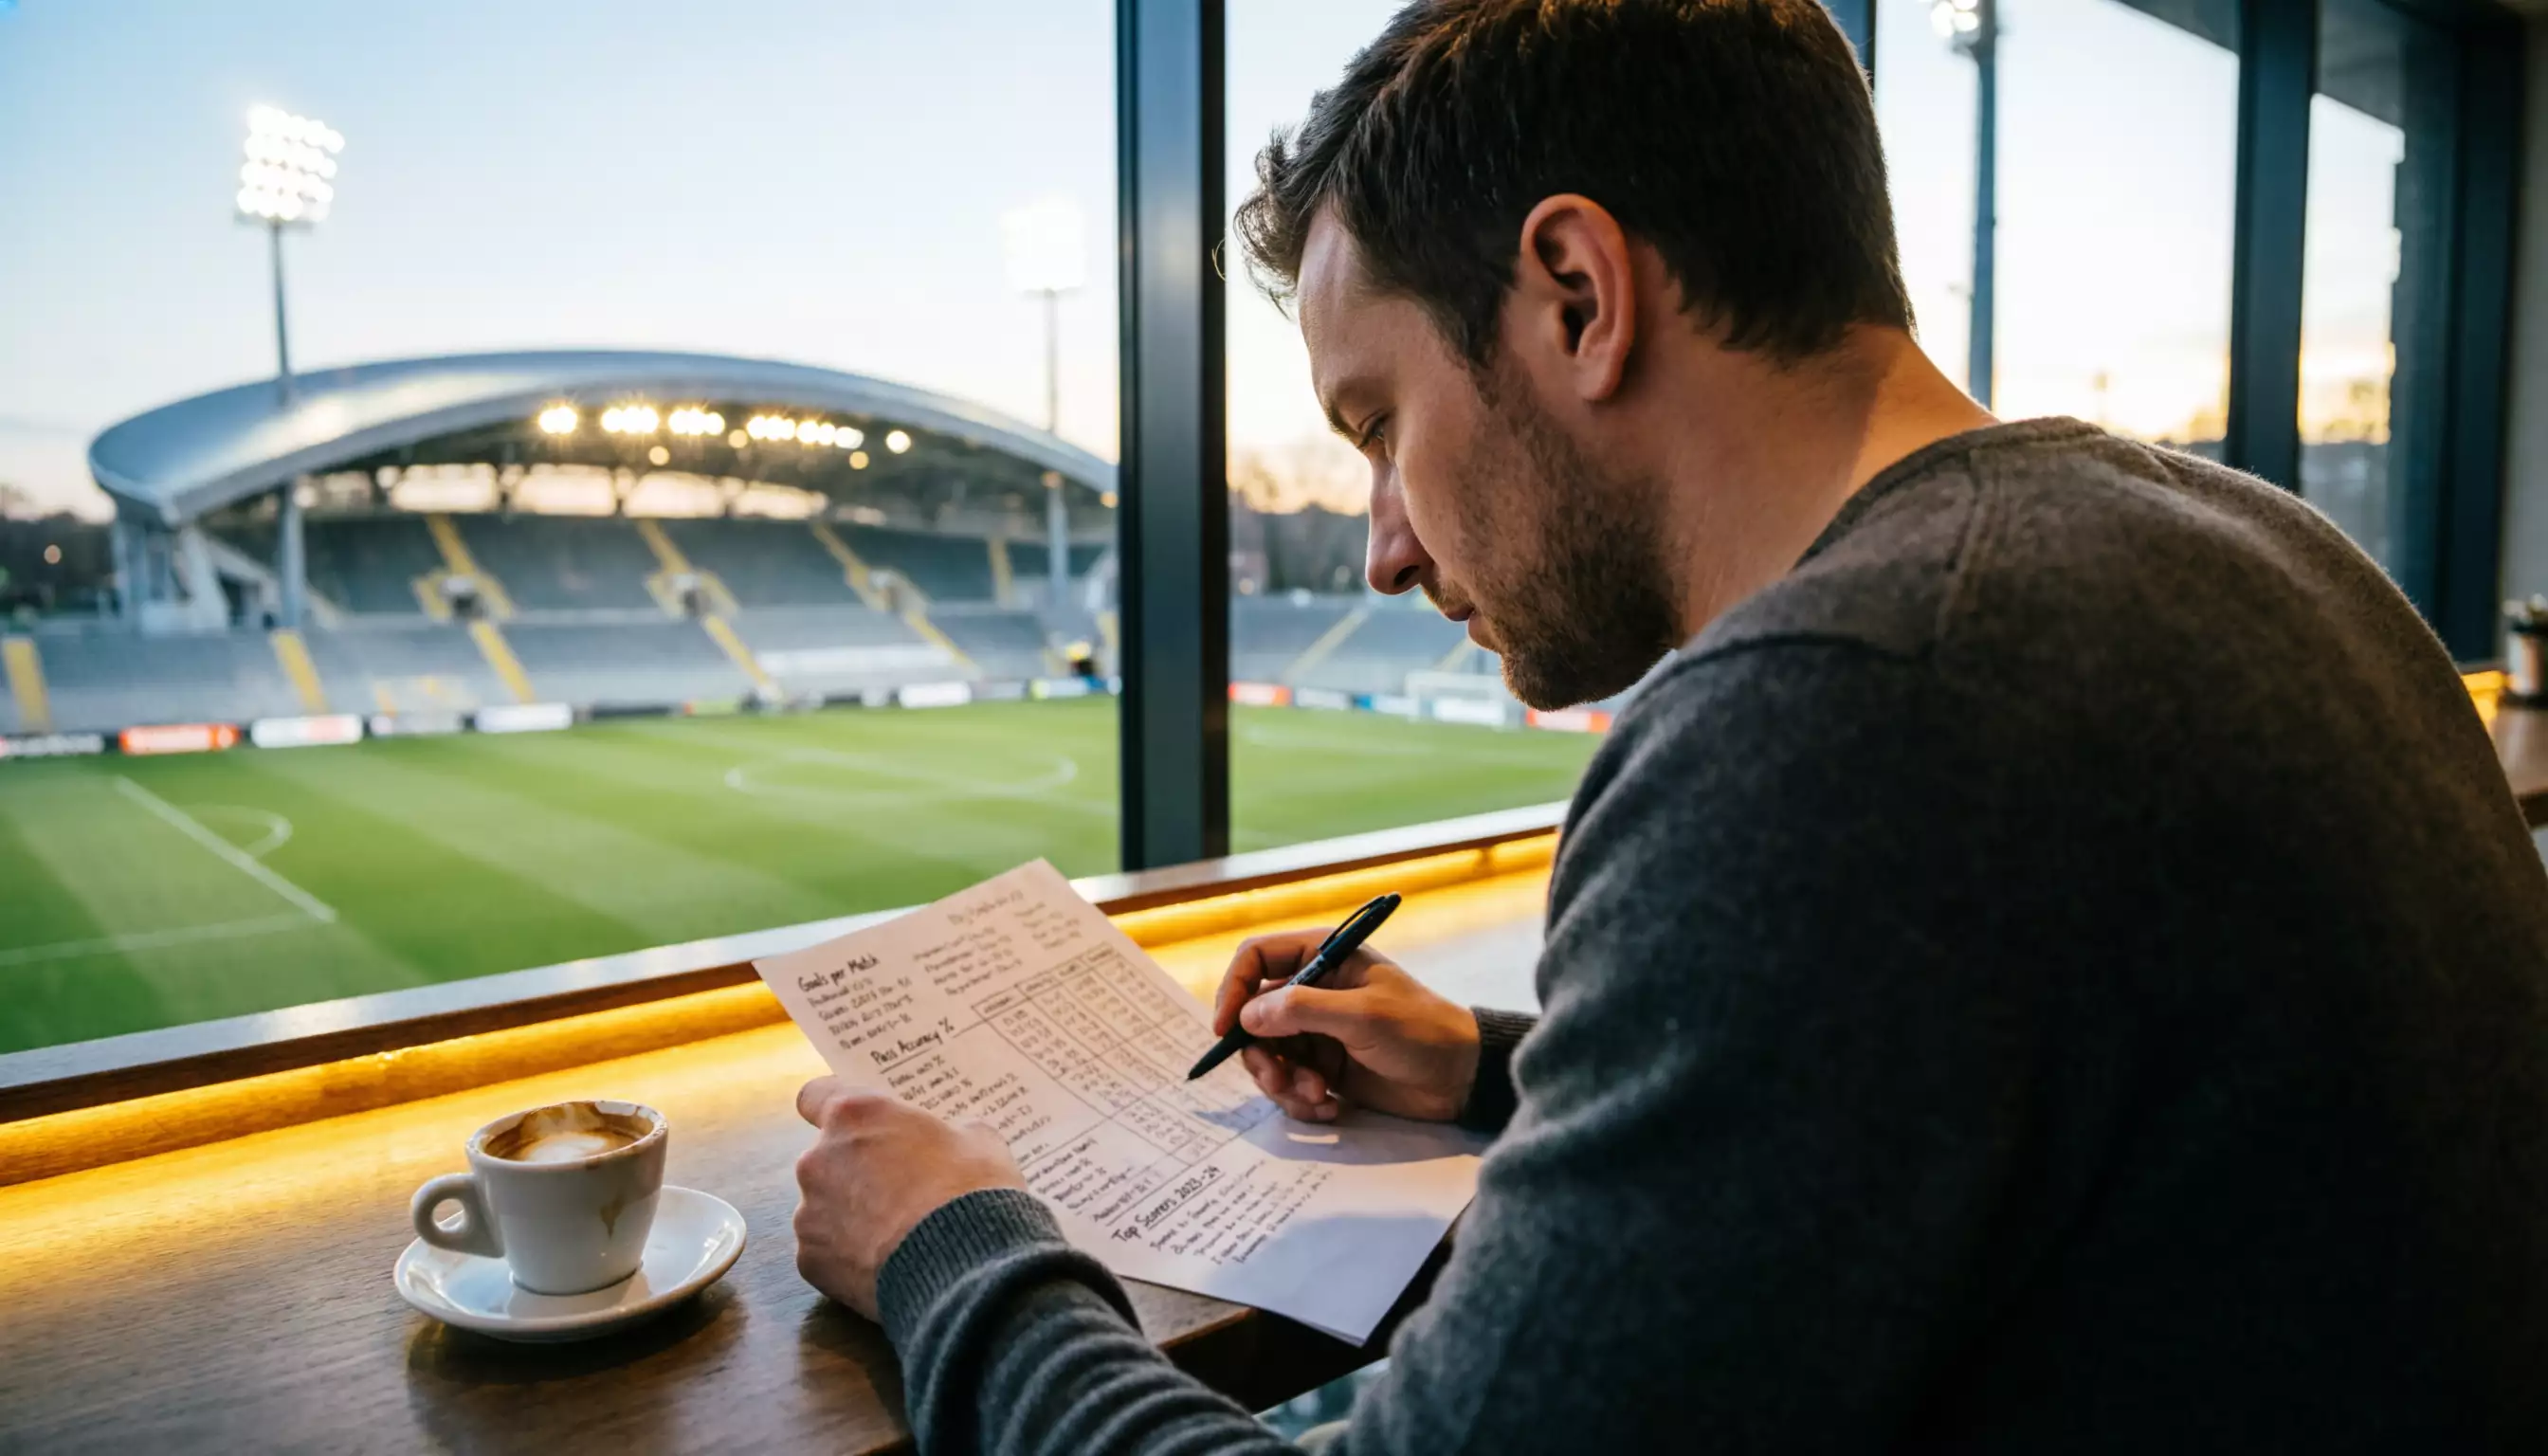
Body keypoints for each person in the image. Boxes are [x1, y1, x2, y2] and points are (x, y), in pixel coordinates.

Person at [788, 0, 2548, 1448]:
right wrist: (1499, 1065)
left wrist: (961, 1251)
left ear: (1576, 294)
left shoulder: (1847, 706)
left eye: (1379, 422)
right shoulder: (2256, 550)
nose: (1386, 543)